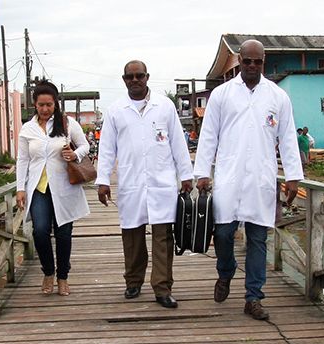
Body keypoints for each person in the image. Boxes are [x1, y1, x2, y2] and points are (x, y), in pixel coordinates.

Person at [194, 39, 304, 321]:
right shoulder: (222, 95)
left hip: (261, 179)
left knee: (258, 240)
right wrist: (202, 173)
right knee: (223, 234)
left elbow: (288, 138)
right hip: (229, 177)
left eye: (258, 62)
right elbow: (208, 135)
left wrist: (293, 176)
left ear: (263, 62)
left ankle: (253, 297)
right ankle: (225, 272)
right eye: (247, 61)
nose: (252, 66)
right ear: (239, 61)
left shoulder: (277, 97)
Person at [96, 60, 193, 309]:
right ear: (124, 79)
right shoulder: (116, 110)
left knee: (163, 237)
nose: (135, 80)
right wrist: (103, 180)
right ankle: (133, 281)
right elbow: (107, 148)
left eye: (139, 75)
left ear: (147, 77)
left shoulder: (165, 106)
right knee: (132, 235)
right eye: (130, 77)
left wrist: (186, 175)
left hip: (162, 184)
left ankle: (162, 288)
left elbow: (178, 144)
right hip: (131, 183)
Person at [15, 81, 90, 297]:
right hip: (39, 188)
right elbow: (22, 159)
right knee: (39, 231)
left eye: (49, 104)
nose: (46, 109)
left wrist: (75, 155)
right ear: (34, 105)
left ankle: (63, 277)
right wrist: (20, 188)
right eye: (41, 105)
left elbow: (84, 145)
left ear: (55, 103)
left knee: (64, 233)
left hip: (64, 186)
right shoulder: (27, 129)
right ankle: (48, 272)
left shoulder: (67, 124)